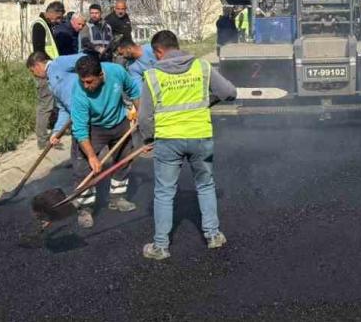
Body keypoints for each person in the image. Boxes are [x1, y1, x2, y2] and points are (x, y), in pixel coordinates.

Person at [138, 30, 237, 260]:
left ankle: (161, 247)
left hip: (168, 140)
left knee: (164, 192)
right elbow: (229, 93)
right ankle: (213, 235)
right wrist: (209, 99)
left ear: (159, 51)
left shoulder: (152, 75)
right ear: (177, 45)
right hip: (200, 136)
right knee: (205, 185)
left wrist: (149, 139)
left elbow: (144, 118)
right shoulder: (201, 67)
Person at [69, 54, 142, 227]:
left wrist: (140, 113)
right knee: (83, 167)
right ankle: (85, 207)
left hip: (118, 122)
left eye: (89, 81)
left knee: (123, 160)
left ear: (101, 75)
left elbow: (133, 90)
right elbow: (80, 129)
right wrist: (92, 157)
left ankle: (117, 197)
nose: (86, 86)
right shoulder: (79, 91)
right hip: (93, 128)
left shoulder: (116, 71)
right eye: (83, 81)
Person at [31, 1, 65, 149]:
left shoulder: (46, 25)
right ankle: (43, 140)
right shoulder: (40, 25)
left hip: (49, 69)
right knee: (45, 106)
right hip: (43, 71)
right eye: (57, 18)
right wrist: (50, 64)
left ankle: (53, 134)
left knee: (52, 104)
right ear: (51, 12)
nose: (58, 21)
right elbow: (38, 50)